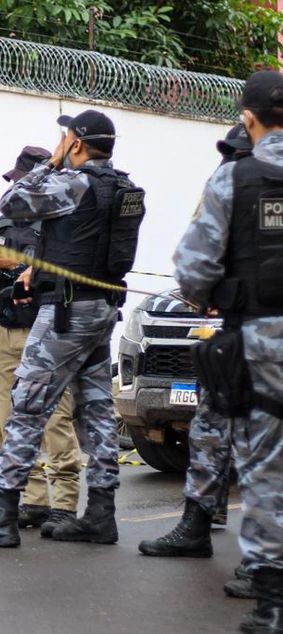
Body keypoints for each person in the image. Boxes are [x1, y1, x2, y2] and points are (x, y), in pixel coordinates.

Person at [0, 109, 144, 548]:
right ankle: (100, 513)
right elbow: (86, 244)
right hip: (100, 311)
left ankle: (2, 515)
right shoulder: (124, 188)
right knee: (97, 412)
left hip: (65, 314)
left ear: (76, 143)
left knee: (26, 407)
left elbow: (12, 201)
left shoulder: (73, 182)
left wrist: (52, 160)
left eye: (65, 139)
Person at [169, 70, 283, 634]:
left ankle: (272, 601)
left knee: (264, 467)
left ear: (249, 118)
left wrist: (211, 292)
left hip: (262, 345)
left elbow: (193, 271)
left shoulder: (234, 178)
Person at [137, 123, 256, 603]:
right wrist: (206, 295)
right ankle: (197, 523)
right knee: (210, 426)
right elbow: (200, 255)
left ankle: (266, 559)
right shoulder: (228, 183)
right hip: (231, 331)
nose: (231, 162)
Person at [0, 146, 81, 536]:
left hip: (47, 331)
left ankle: (65, 505)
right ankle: (34, 501)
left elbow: (63, 278)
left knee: (55, 418)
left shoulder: (62, 224)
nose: (14, 187)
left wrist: (19, 266)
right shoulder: (0, 224)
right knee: (11, 418)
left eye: (19, 179)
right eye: (12, 181)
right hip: (4, 328)